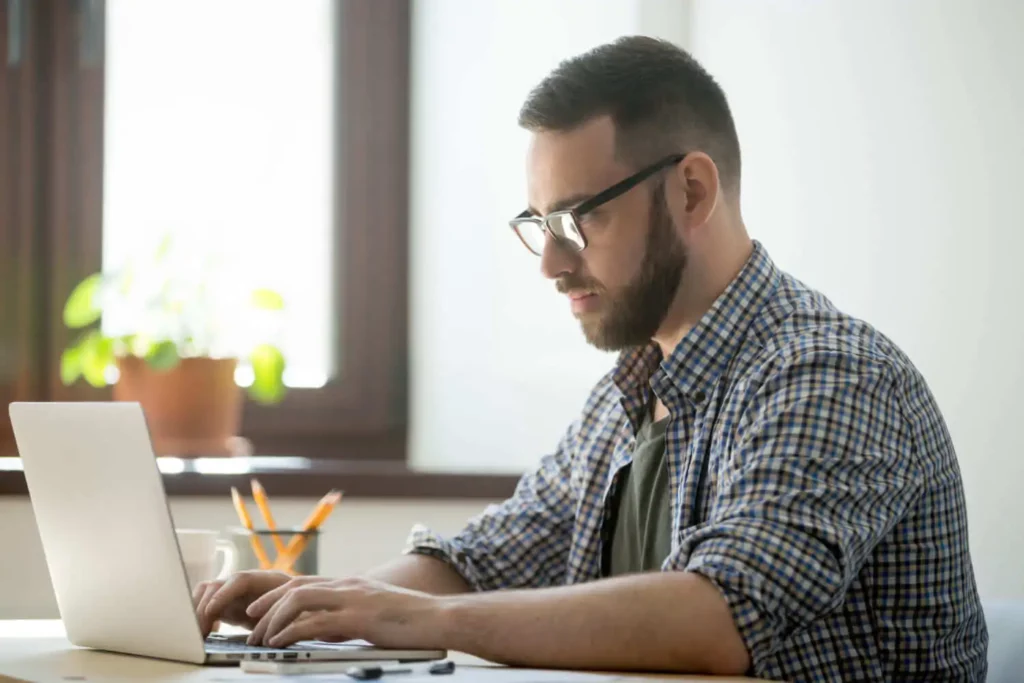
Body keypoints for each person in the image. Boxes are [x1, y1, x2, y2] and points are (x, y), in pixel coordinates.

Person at [194, 36, 988, 681]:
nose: (550, 262)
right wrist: (328, 600)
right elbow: (485, 560)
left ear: (691, 193)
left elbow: (720, 615)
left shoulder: (828, 373)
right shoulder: (628, 396)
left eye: (578, 220)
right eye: (540, 225)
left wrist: (420, 621)